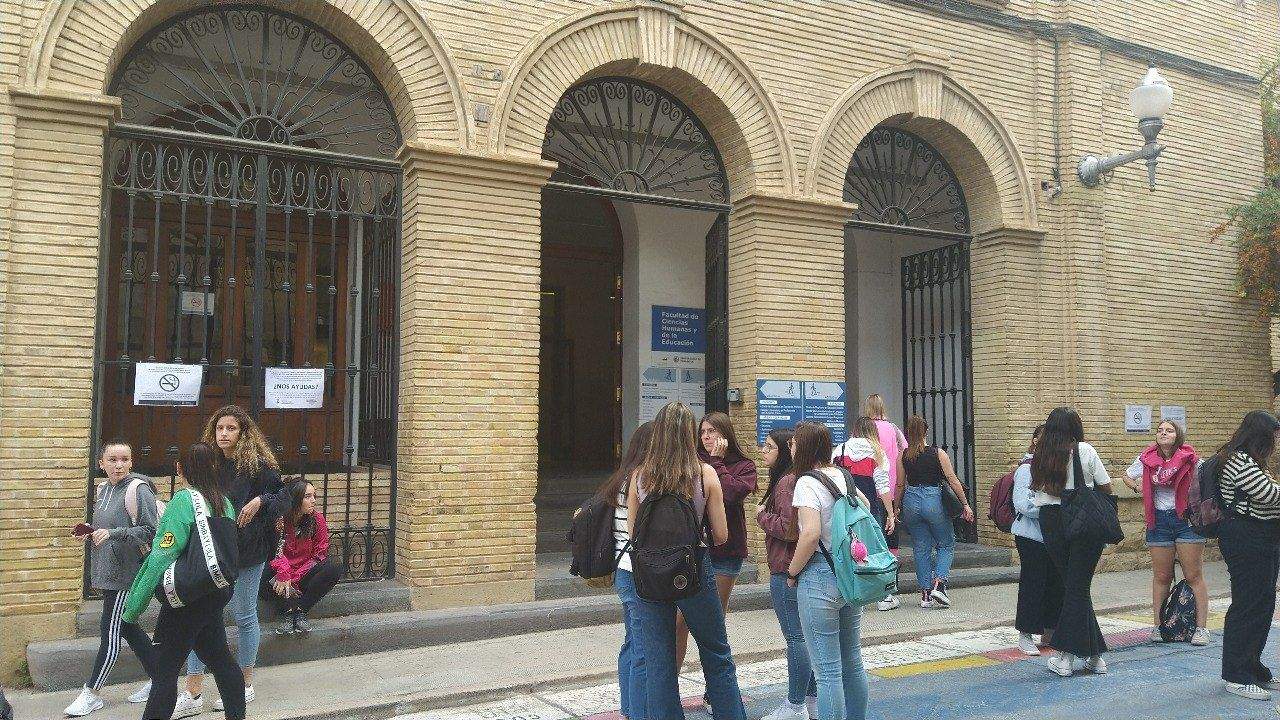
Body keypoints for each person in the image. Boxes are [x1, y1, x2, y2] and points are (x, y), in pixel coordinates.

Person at [626, 402, 745, 720]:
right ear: (689, 434)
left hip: (650, 574)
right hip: (694, 570)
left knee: (659, 659)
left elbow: (633, 532)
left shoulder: (640, 476)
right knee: (716, 652)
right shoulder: (704, 473)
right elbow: (721, 535)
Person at [176, 405, 285, 717]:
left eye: (230, 428)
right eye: (219, 428)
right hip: (215, 549)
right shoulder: (210, 463)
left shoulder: (259, 467)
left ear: (243, 432)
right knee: (203, 614)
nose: (223, 434)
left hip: (249, 550)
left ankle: (244, 684)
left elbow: (284, 497)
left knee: (244, 613)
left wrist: (260, 500)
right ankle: (193, 690)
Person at [123, 443, 246, 720]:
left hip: (186, 598)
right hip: (213, 591)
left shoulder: (182, 501)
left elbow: (161, 557)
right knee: (220, 659)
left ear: (180, 469)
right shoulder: (223, 502)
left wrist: (133, 608)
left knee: (164, 672)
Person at [64, 440, 159, 716]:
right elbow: (108, 527)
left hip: (126, 576)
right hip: (108, 572)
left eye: (125, 459)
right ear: (101, 463)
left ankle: (91, 693)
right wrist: (91, 531)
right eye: (113, 460)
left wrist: (113, 533)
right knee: (128, 627)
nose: (119, 465)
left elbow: (150, 531)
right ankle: (161, 679)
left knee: (111, 634)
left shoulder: (137, 489)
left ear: (131, 462)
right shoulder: (104, 489)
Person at [786, 420, 870, 720]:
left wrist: (792, 571)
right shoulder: (844, 476)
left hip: (819, 575)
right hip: (850, 574)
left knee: (827, 671)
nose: (790, 447)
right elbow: (865, 508)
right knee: (852, 661)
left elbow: (809, 534)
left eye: (794, 442)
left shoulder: (807, 483)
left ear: (804, 446)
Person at [1030, 407, 1113, 677]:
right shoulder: (1085, 450)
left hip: (1051, 520)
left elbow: (1036, 487)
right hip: (1084, 520)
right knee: (1078, 588)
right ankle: (1084, 656)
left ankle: (1083, 655)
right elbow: (1106, 486)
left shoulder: (1040, 453)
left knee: (1073, 586)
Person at [673, 411, 756, 673]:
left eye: (713, 432)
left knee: (713, 623)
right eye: (703, 432)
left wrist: (717, 463)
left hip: (725, 552)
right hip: (692, 551)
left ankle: (716, 687)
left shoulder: (744, 466)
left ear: (726, 434)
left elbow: (731, 494)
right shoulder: (692, 463)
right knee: (680, 621)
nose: (707, 437)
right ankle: (670, 686)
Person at [1121, 419, 1209, 646]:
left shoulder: (1191, 459)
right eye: (1160, 430)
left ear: (1178, 435)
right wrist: (1136, 486)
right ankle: (1158, 626)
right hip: (1159, 520)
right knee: (1162, 576)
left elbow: (1207, 480)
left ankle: (1201, 629)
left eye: (1169, 430)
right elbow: (1127, 475)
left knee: (1193, 575)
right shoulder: (1147, 459)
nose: (1163, 433)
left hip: (1186, 519)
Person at [1213, 410, 1280, 701]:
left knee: (1263, 603)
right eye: (1274, 435)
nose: (1277, 441)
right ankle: (1235, 675)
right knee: (1247, 604)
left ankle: (1252, 665)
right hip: (1245, 538)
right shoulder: (1237, 460)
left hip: (1263, 538)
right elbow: (1269, 494)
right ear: (1260, 435)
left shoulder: (1252, 461)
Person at [756, 428, 817, 719]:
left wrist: (760, 515)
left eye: (769, 447)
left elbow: (788, 529)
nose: (763, 451)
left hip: (785, 567)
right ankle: (812, 698)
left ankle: (795, 705)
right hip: (804, 566)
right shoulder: (804, 478)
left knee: (796, 638)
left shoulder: (785, 483)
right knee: (805, 637)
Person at [601, 421, 653, 720]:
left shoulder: (621, 478)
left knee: (632, 643)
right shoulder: (641, 480)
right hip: (636, 571)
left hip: (623, 570)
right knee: (642, 649)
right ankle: (637, 713)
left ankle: (629, 708)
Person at [900, 415, 972, 609]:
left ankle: (925, 595)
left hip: (911, 501)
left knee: (921, 547)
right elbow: (952, 480)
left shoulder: (905, 454)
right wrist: (965, 504)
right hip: (933, 500)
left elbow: (900, 483)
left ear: (908, 433)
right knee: (946, 543)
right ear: (926, 432)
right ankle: (939, 584)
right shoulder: (938, 453)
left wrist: (896, 509)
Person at [834, 416, 899, 611]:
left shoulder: (840, 449)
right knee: (876, 549)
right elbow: (883, 486)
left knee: (848, 549)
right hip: (869, 508)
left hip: (845, 508)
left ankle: (852, 592)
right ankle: (883, 597)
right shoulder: (877, 452)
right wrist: (891, 513)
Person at [1012, 424, 1061, 656]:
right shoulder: (1026, 469)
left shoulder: (1056, 468)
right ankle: (1026, 634)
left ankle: (1050, 630)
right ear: (1035, 440)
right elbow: (1022, 503)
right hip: (1030, 535)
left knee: (1054, 581)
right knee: (1034, 583)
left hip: (1052, 534)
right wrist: (1051, 508)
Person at [267, 480, 341, 634]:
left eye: (314, 496)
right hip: (280, 575)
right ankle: (288, 611)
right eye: (307, 496)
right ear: (295, 498)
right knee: (265, 571)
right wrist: (285, 573)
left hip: (303, 573)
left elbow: (320, 553)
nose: (313, 500)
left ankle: (299, 609)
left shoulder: (317, 519)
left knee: (334, 565)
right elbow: (276, 552)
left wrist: (295, 577)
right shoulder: (280, 520)